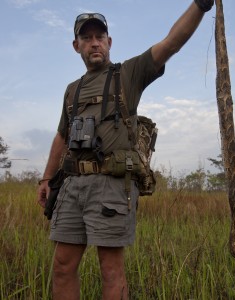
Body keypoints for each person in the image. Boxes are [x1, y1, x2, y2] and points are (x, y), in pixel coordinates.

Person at [37, 1, 214, 299]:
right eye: (87, 38)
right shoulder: (72, 89)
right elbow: (61, 135)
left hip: (111, 184)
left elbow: (171, 44)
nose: (94, 43)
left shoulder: (128, 74)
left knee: (111, 270)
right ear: (76, 45)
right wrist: (45, 179)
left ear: (109, 42)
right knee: (62, 266)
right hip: (70, 186)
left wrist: (200, 5)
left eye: (100, 37)